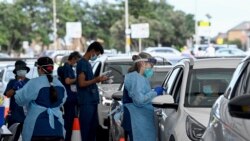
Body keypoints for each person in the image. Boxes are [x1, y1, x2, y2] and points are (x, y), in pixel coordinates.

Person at [14, 57, 67, 141]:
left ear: (39, 69)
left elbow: (19, 99)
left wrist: (18, 90)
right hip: (57, 129)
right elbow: (62, 101)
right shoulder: (60, 84)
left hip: (37, 129)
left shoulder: (34, 83)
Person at [122, 52, 164, 141]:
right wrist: (155, 93)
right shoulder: (135, 78)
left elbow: (141, 94)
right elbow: (139, 100)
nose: (151, 69)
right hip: (136, 120)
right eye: (151, 66)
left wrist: (153, 92)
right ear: (142, 63)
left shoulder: (141, 78)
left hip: (140, 120)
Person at [76, 41, 108, 141]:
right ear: (92, 51)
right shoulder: (82, 64)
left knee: (92, 129)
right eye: (97, 54)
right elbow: (81, 83)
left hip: (92, 101)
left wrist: (98, 80)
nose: (97, 57)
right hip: (86, 102)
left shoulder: (87, 64)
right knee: (86, 129)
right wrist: (96, 79)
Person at [4, 60, 30, 141]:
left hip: (27, 116)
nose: (23, 71)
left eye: (24, 69)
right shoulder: (12, 82)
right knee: (12, 138)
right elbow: (7, 95)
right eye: (21, 69)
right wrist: (14, 88)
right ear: (17, 71)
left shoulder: (29, 82)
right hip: (14, 116)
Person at [61, 51, 81, 141]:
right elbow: (67, 81)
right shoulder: (67, 68)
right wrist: (78, 79)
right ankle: (67, 138)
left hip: (71, 97)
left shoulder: (69, 68)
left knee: (70, 120)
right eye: (76, 61)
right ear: (73, 59)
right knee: (69, 121)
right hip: (69, 98)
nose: (76, 63)